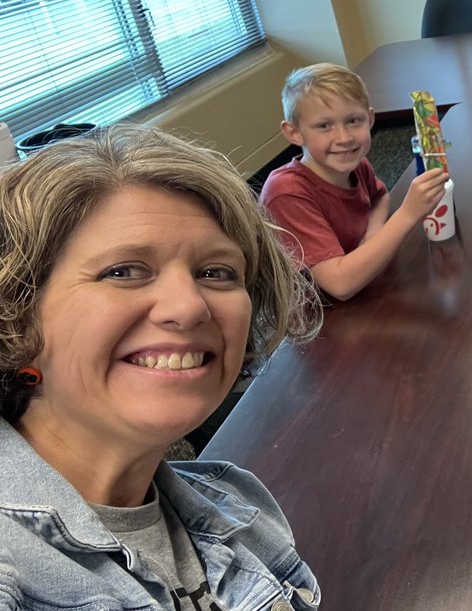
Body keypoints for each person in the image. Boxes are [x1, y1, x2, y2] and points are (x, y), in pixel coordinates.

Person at [0, 124, 324, 609]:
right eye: (124, 271)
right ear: (18, 318)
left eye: (216, 272)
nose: (190, 307)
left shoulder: (240, 506)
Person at [260, 62, 448, 301]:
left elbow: (380, 197)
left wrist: (371, 237)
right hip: (318, 313)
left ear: (370, 119)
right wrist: (408, 214)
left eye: (353, 121)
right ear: (294, 132)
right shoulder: (286, 193)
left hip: (365, 287)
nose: (344, 138)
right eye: (324, 126)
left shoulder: (354, 163)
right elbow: (340, 285)